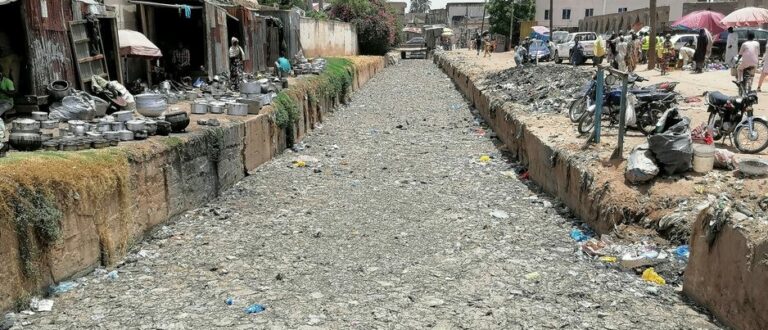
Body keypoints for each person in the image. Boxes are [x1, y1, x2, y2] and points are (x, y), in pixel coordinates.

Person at [0, 66, 15, 140]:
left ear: (1, 73)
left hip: (7, 102)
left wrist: (2, 91)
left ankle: (1, 132)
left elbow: (13, 94)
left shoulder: (8, 81)